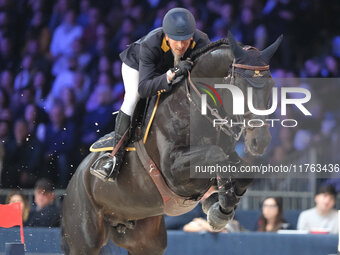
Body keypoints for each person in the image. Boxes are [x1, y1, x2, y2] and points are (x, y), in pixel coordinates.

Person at [90, 7, 210, 182]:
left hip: (167, 69)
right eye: (175, 40)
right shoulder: (151, 43)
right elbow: (145, 88)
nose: (181, 46)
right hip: (138, 67)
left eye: (185, 40)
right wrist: (172, 73)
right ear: (167, 36)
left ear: (192, 36)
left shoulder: (202, 41)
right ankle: (114, 157)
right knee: (132, 97)